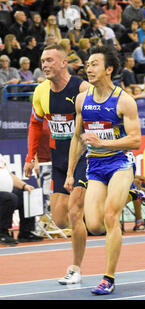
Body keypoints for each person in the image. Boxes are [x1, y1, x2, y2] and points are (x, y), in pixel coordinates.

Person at [65, 45, 141, 295]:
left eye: (94, 64)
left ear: (109, 69)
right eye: (87, 64)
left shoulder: (124, 101)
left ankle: (108, 277)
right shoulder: (81, 100)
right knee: (95, 225)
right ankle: (132, 195)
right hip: (95, 165)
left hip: (120, 162)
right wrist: (69, 172)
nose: (88, 68)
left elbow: (135, 140)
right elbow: (77, 138)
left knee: (111, 216)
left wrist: (103, 142)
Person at [23, 44, 91, 285]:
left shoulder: (83, 88)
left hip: (85, 158)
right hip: (58, 159)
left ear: (64, 63)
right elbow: (34, 124)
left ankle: (75, 268)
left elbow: (104, 116)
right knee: (61, 219)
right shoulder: (41, 91)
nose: (44, 65)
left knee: (75, 213)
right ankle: (93, 211)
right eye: (42, 60)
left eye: (50, 60)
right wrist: (31, 155)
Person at [0, 153, 44, 244]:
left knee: (26, 193)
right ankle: (2, 233)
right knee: (9, 198)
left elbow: (9, 175)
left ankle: (26, 232)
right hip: (4, 196)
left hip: (6, 192)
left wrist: (24, 185)